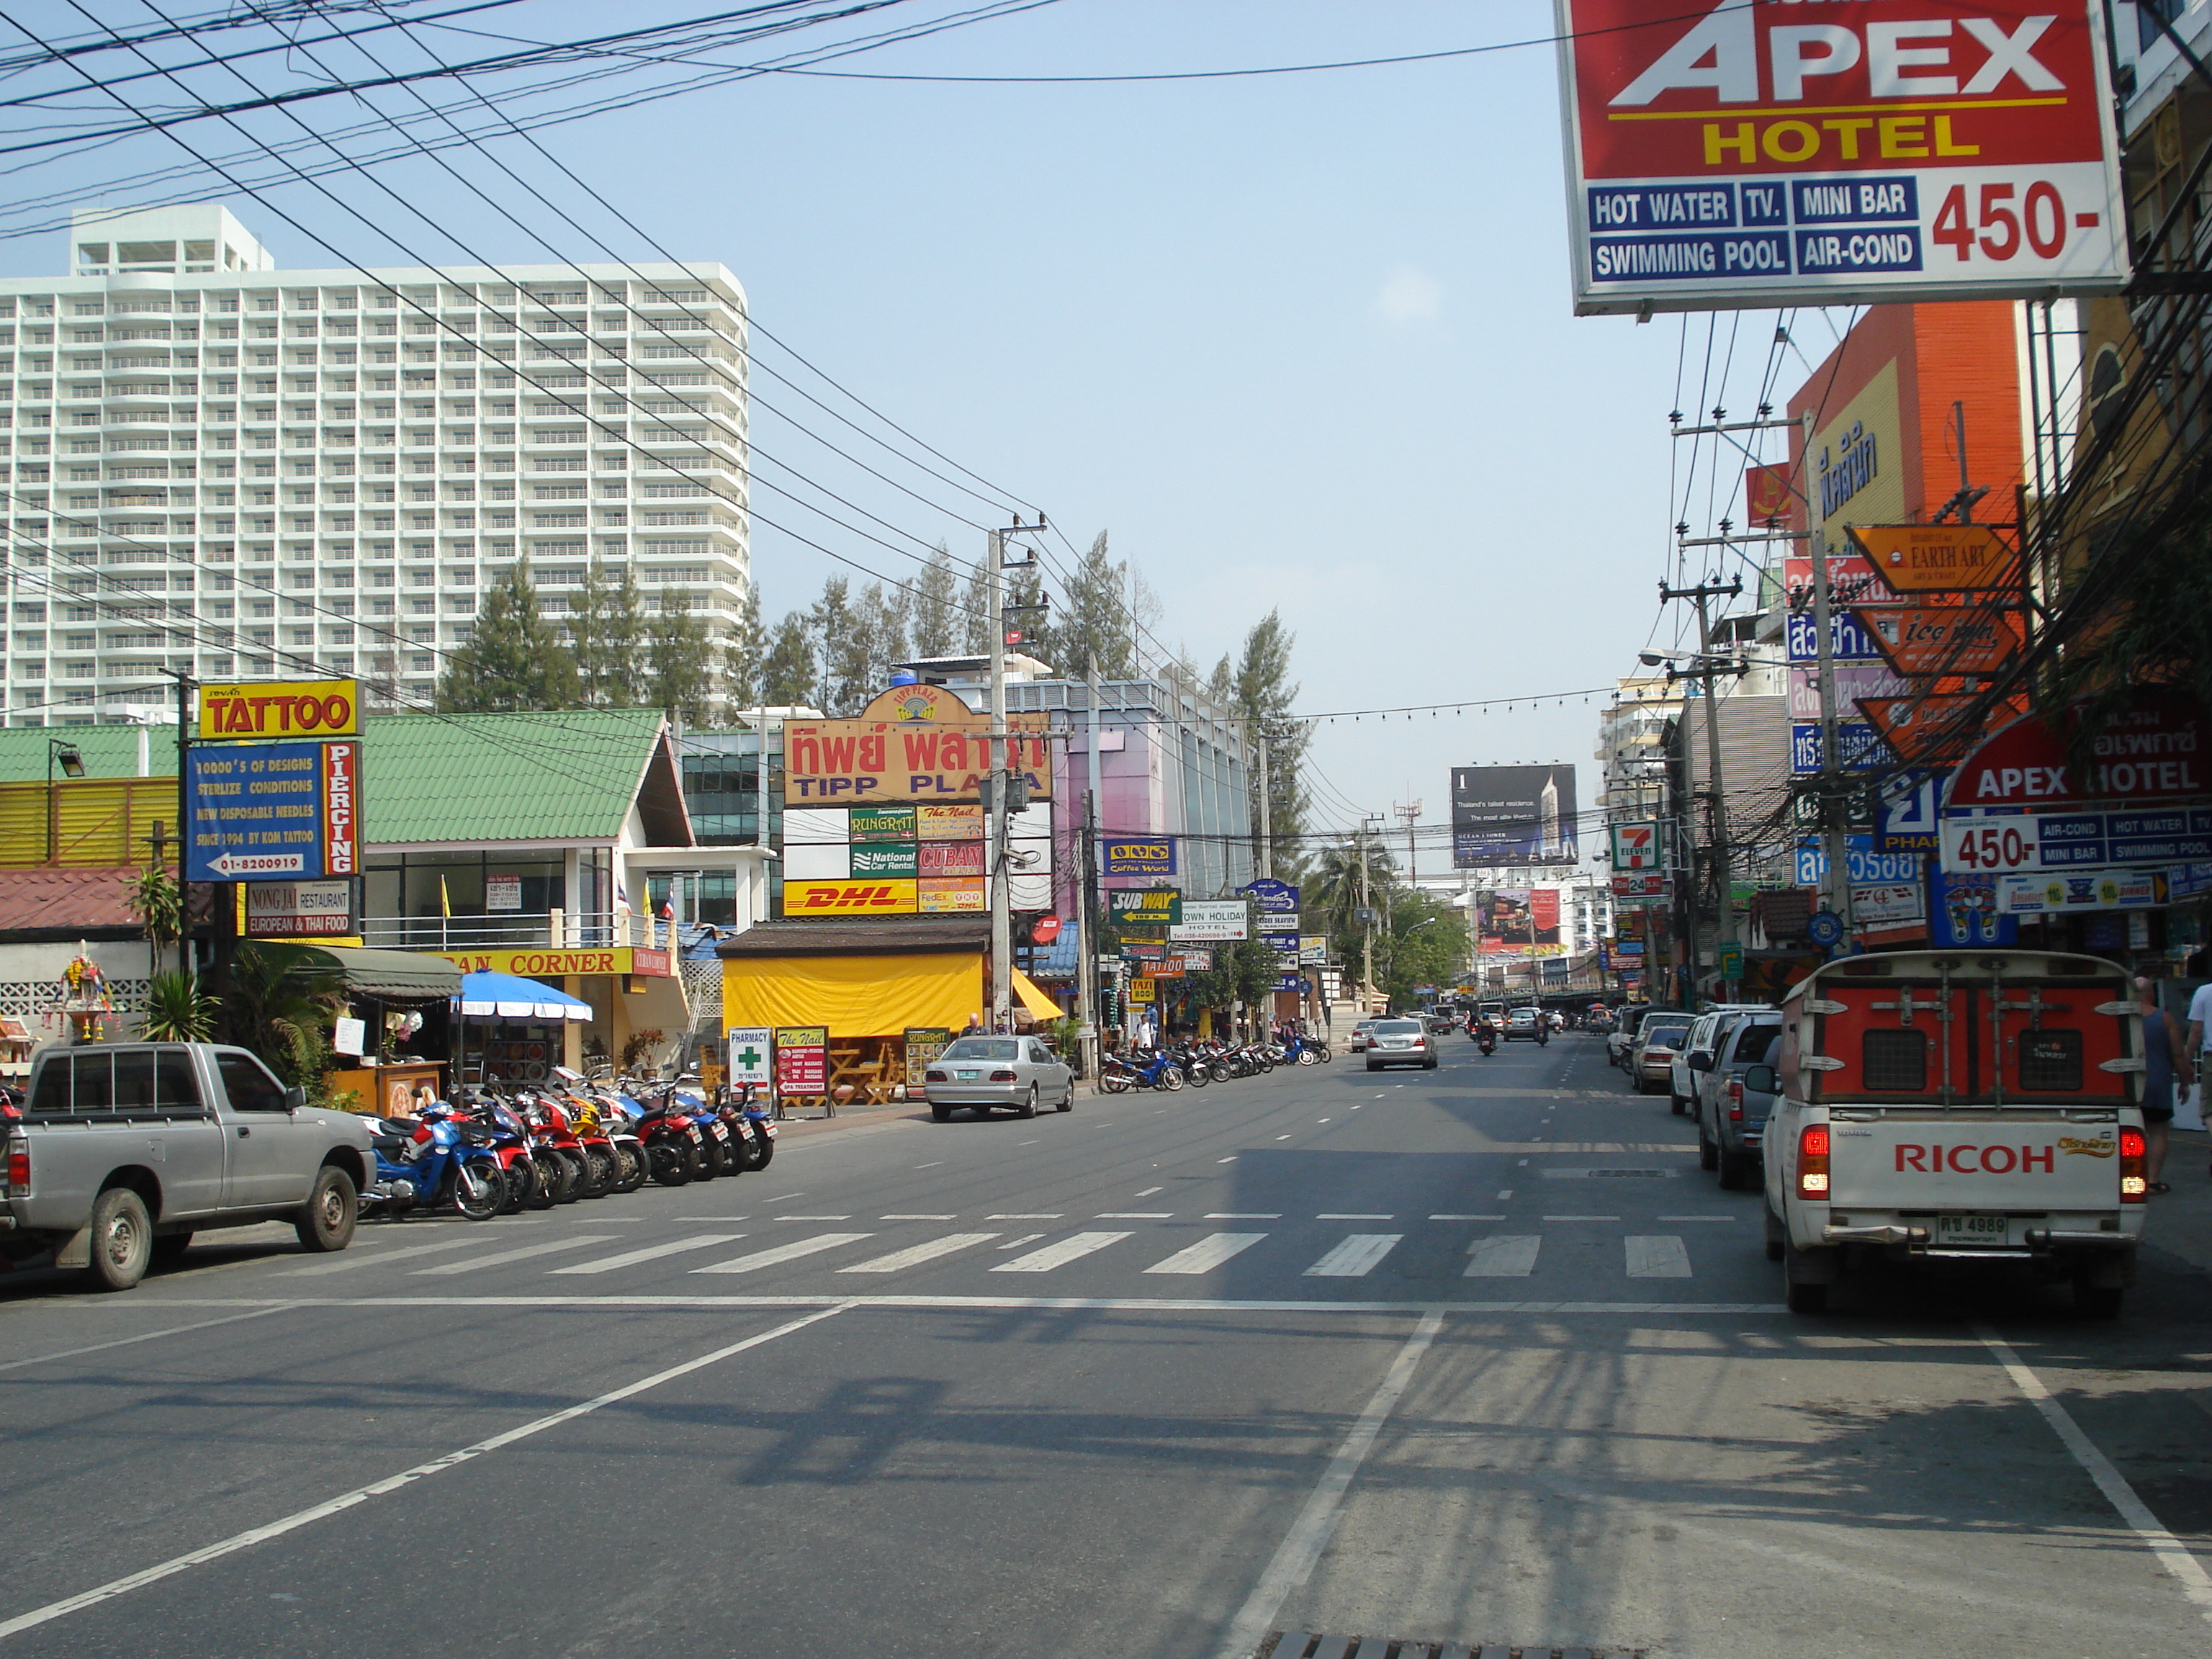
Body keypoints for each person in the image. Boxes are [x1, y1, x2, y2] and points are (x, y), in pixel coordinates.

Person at [2139, 976, 2175, 1192]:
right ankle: (2152, 1180)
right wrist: (2186, 1080)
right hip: (2158, 1081)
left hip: (2128, 1081)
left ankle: (2132, 1181)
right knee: (2158, 1132)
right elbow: (2178, 1053)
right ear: (2151, 993)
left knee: (2132, 1131)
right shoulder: (2164, 1018)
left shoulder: (2120, 1015)